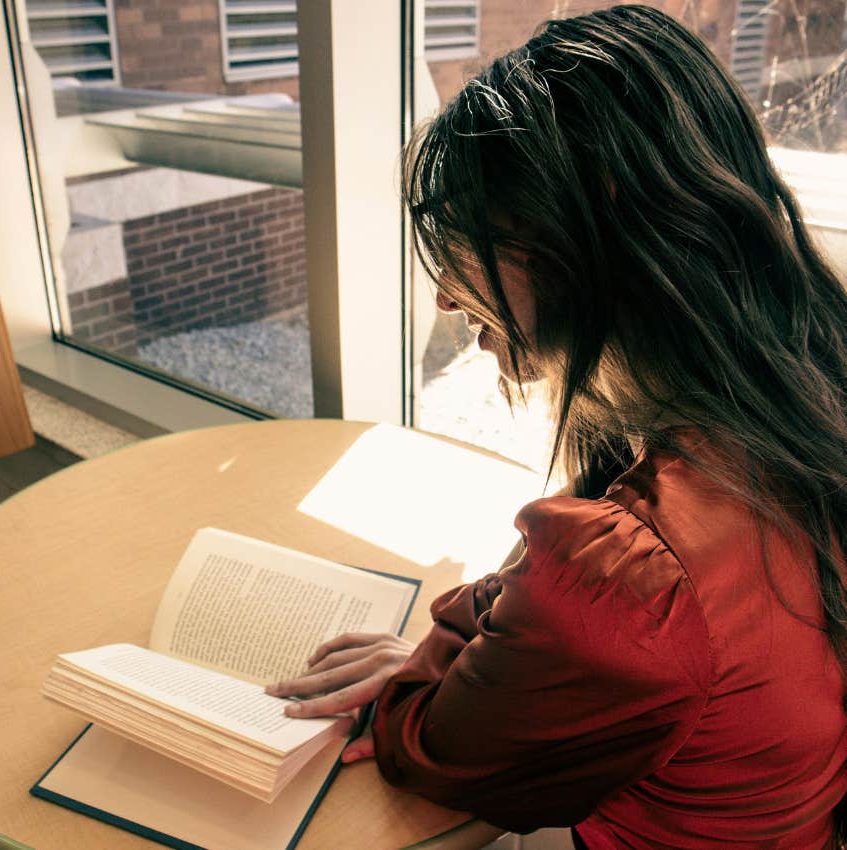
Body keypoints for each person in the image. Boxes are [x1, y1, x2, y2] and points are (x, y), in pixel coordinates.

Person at [265, 5, 847, 847]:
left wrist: (437, 671)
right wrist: (495, 657)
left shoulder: (634, 573)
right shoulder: (796, 382)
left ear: (582, 248)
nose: (442, 295)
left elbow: (434, 747)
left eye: (465, 243)